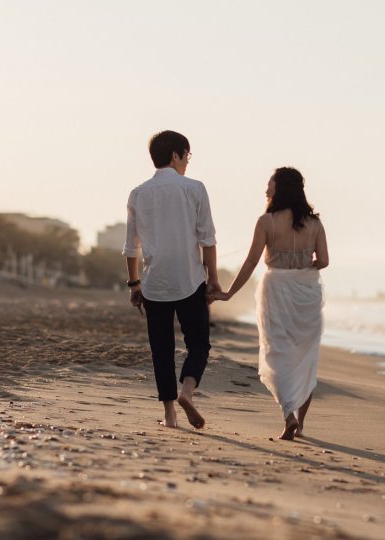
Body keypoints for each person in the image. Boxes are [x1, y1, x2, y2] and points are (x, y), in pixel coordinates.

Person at [211, 167, 328, 440]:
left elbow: (251, 262)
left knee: (277, 353)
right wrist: (302, 265)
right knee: (305, 357)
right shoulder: (315, 223)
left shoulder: (266, 222)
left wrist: (228, 292)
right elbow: (323, 261)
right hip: (307, 289)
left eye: (270, 185)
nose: (266, 190)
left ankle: (289, 416)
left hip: (276, 288)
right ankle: (301, 422)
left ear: (280, 189)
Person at [123, 130, 220, 429]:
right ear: (176, 155)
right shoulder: (194, 188)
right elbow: (208, 239)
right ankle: (187, 391)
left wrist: (134, 284)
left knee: (161, 348)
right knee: (199, 344)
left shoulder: (138, 193)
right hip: (189, 280)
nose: (188, 162)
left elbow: (131, 246)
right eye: (187, 155)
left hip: (154, 284)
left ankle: (169, 414)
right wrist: (213, 280)